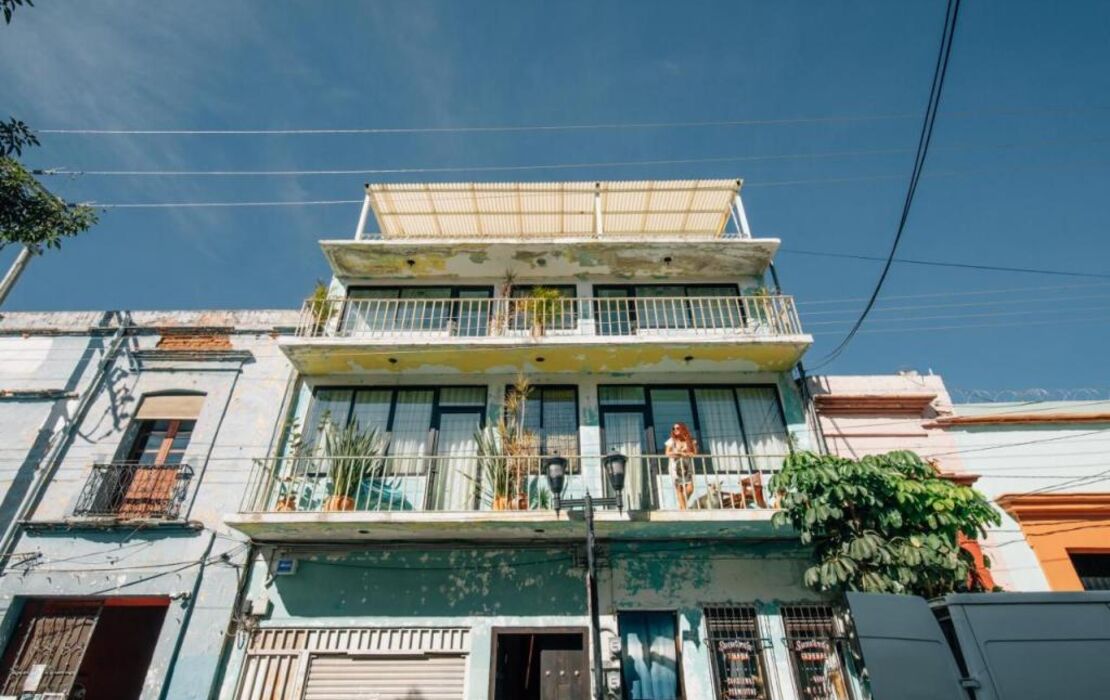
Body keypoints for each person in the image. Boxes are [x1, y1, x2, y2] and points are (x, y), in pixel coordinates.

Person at [664, 422, 697, 510]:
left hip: (686, 466)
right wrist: (677, 453)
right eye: (673, 429)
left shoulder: (690, 440)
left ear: (683, 428)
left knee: (690, 488)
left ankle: (682, 506)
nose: (675, 430)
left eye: (677, 428)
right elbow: (667, 453)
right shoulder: (671, 440)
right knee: (679, 488)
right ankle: (684, 509)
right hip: (675, 467)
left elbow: (694, 453)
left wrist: (686, 454)